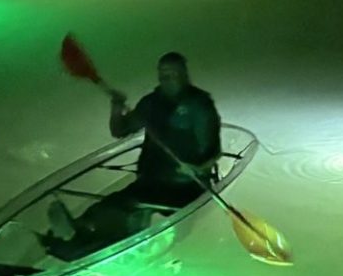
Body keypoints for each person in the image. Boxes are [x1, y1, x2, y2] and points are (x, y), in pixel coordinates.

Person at [41, 52, 223, 262]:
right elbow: (120, 130)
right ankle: (77, 234)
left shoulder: (199, 105)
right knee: (108, 206)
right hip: (150, 179)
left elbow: (214, 151)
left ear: (184, 74)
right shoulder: (151, 103)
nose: (167, 77)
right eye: (162, 73)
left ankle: (109, 247)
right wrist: (116, 109)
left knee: (131, 212)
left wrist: (197, 168)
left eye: (173, 72)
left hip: (184, 186)